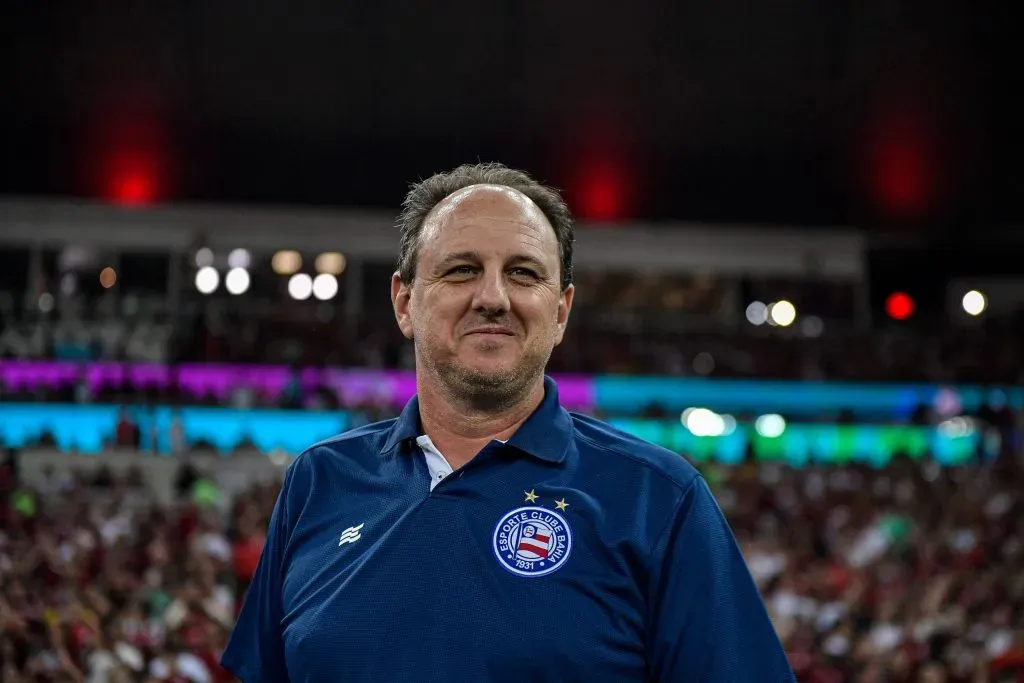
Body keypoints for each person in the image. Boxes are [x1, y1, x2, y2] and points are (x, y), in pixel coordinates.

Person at [221, 162, 795, 682]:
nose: (492, 297)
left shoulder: (658, 500)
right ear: (404, 302)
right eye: (461, 270)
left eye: (523, 274)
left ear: (562, 310)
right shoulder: (319, 482)